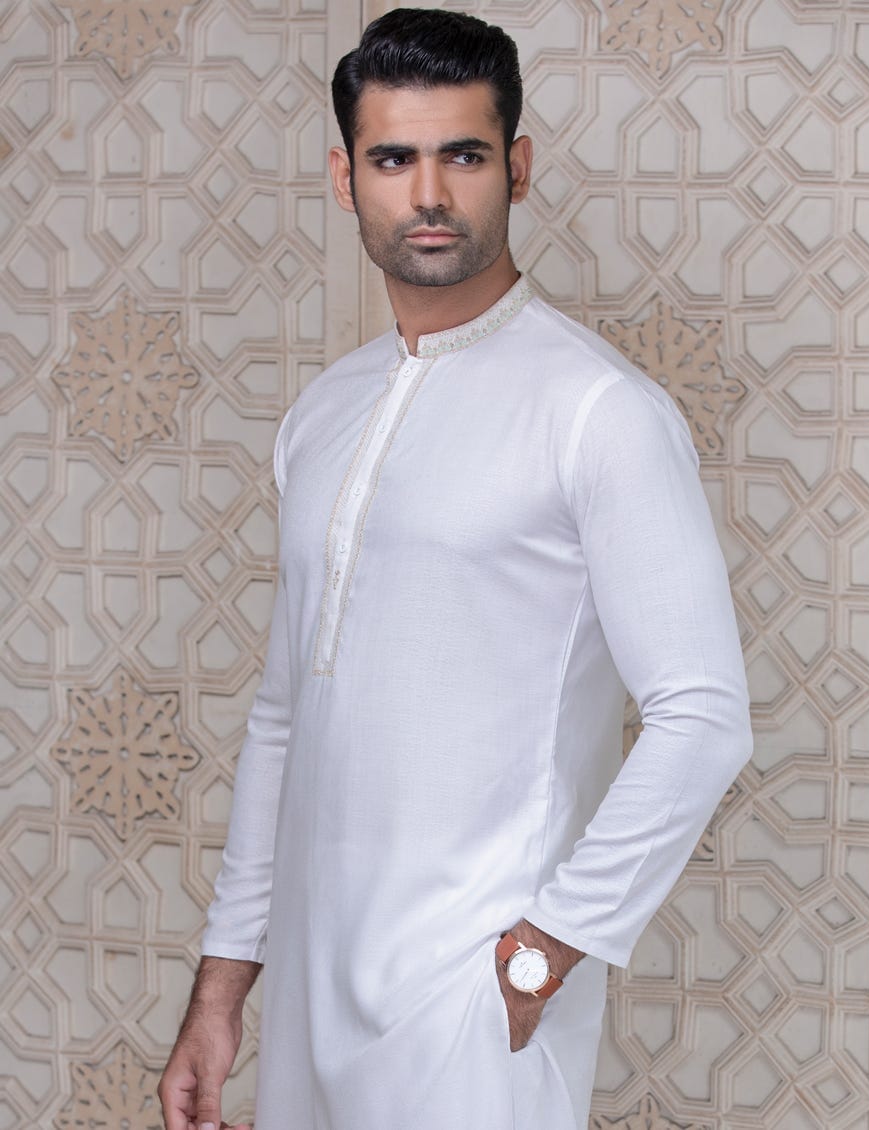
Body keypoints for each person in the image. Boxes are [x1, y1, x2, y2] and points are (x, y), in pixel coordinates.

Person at [158, 9, 753, 1130]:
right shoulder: (321, 413)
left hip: (475, 995)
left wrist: (548, 947)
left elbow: (704, 714)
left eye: (463, 156)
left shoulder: (598, 412)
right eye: (393, 159)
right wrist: (223, 988)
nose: (428, 194)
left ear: (515, 169)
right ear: (345, 179)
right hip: (309, 988)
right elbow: (283, 716)